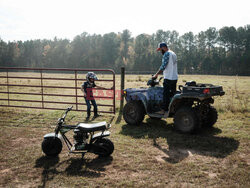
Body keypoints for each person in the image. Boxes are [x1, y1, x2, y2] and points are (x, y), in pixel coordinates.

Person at [152, 42, 178, 114]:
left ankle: (163, 110)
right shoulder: (173, 54)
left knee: (165, 94)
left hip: (168, 77)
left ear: (164, 48)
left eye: (161, 50)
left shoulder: (167, 54)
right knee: (172, 94)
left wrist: (156, 74)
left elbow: (163, 66)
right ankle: (173, 109)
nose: (161, 51)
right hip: (174, 77)